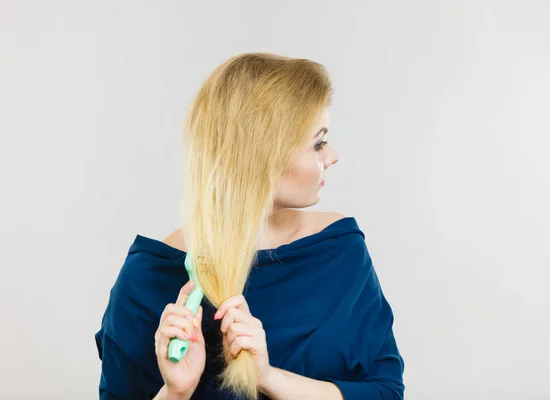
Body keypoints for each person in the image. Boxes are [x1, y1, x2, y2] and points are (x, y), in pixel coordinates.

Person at [95, 52, 405, 400]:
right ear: (260, 156)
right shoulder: (148, 278)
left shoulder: (340, 250)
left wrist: (269, 377)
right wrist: (175, 392)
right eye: (318, 142)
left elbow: (386, 392)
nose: (332, 155)